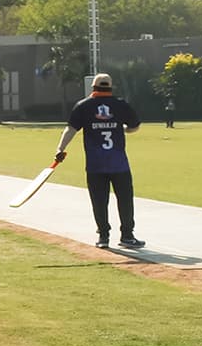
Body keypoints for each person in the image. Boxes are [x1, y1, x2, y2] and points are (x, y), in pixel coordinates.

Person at [54, 73, 143, 250]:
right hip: (119, 164)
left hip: (95, 165)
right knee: (125, 199)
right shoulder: (120, 105)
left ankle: (103, 236)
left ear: (93, 87)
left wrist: (60, 148)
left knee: (99, 201)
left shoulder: (84, 106)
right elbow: (135, 126)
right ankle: (127, 236)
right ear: (110, 87)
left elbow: (71, 129)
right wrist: (124, 129)